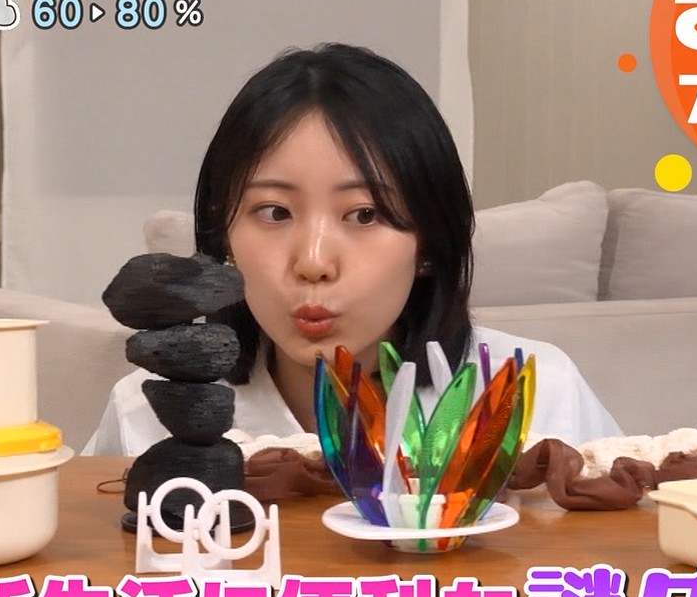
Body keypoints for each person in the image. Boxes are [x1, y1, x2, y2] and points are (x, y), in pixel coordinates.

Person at [82, 43, 620, 456]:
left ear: (430, 241)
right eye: (275, 213)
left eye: (365, 214)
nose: (314, 262)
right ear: (224, 235)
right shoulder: (150, 409)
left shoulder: (532, 391)